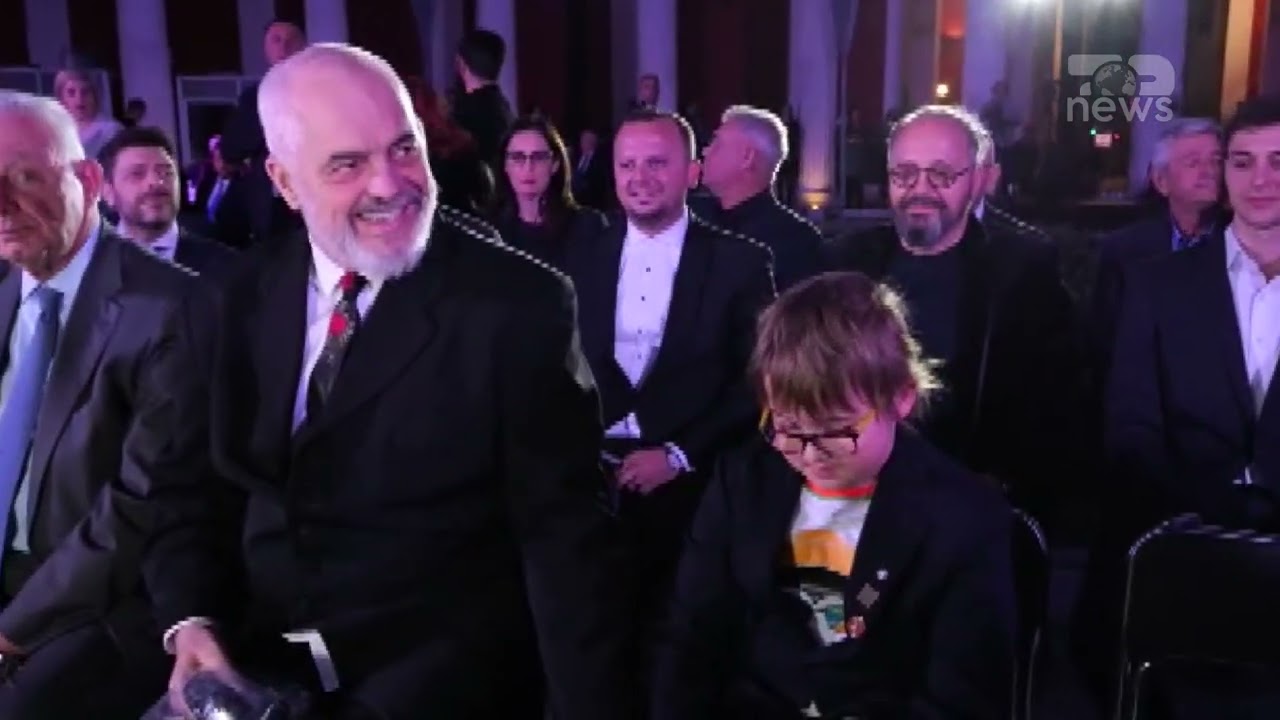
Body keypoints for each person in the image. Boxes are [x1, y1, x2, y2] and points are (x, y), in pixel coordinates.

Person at [145, 43, 634, 720]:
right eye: (347, 164)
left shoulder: (518, 306)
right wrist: (191, 622)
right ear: (285, 182)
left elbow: (564, 545)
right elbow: (186, 490)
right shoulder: (229, 299)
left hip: (436, 684)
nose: (389, 185)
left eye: (405, 149)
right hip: (250, 667)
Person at [653, 271, 1015, 719]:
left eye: (836, 431)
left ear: (901, 397)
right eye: (788, 428)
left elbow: (960, 701)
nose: (809, 454)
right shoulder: (743, 481)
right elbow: (691, 639)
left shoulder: (964, 521)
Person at [0, 91, 213, 718]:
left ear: (90, 182)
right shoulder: (5, 290)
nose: (1, 205)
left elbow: (136, 507)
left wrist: (8, 630)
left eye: (24, 178)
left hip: (101, 603)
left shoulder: (172, 307)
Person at [1078, 93, 1280, 720]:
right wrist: (1198, 523)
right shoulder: (1158, 285)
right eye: (1242, 162)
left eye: (1278, 161)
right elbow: (1132, 424)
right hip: (1181, 543)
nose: (1260, 179)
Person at [561, 109, 776, 686]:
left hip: (695, 488)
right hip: (595, 489)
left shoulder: (740, 261)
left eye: (657, 163)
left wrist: (680, 454)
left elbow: (759, 379)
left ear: (692, 171)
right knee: (597, 647)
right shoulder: (580, 253)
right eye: (626, 165)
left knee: (682, 650)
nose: (640, 178)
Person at [825, 105, 1083, 526]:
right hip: (860, 501)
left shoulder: (1021, 269)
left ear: (978, 180)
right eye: (904, 174)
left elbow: (1055, 401)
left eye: (941, 175)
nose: (920, 189)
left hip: (976, 503)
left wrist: (1001, 487)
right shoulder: (846, 261)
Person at [698, 105, 824, 291]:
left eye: (717, 144)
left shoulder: (796, 241)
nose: (705, 152)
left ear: (747, 157)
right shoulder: (691, 217)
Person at [98, 126, 239, 279]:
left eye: (166, 172)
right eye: (137, 174)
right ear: (108, 192)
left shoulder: (228, 267)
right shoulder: (90, 265)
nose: (156, 182)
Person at [491, 115, 606, 270]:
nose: (528, 167)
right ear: (505, 165)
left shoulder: (588, 226)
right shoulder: (491, 231)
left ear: (555, 164)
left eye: (538, 157)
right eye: (518, 157)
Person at [52, 68, 122, 161]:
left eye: (85, 92)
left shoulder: (112, 130)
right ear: (61, 99)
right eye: (71, 93)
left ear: (94, 96)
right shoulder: (55, 130)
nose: (79, 99)